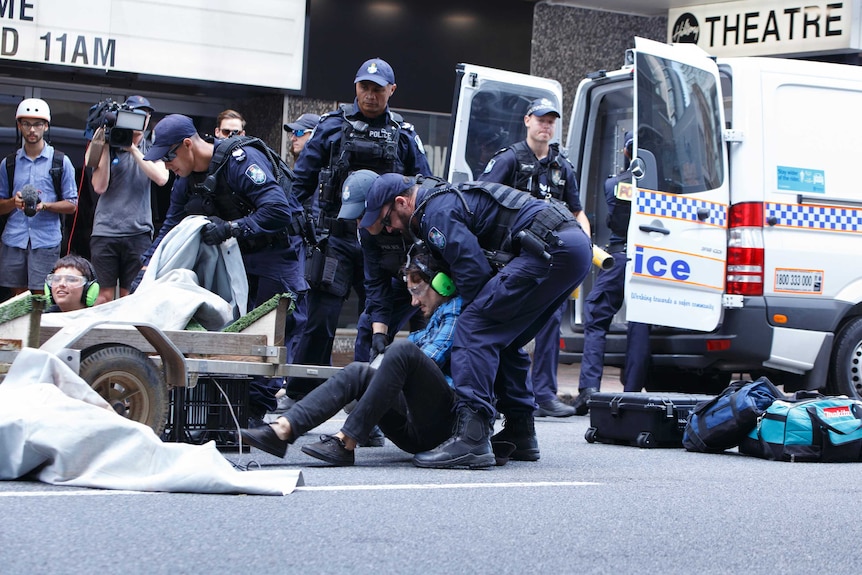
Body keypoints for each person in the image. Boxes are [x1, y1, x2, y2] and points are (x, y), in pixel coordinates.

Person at [361, 173, 593, 469]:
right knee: (506, 338)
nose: (391, 229)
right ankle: (521, 431)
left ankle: (471, 437)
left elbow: (473, 271)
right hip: (569, 247)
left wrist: (465, 319)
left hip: (549, 246)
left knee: (474, 326)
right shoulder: (441, 202)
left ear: (401, 202)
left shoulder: (435, 213)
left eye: (387, 220)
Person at [140, 114, 308, 425]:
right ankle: (234, 404)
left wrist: (232, 228)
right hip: (241, 255)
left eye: (168, 156)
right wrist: (146, 269)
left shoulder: (239, 161)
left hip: (277, 250)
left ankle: (255, 409)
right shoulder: (185, 179)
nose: (166, 165)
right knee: (238, 326)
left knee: (274, 328)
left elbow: (277, 210)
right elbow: (170, 225)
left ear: (187, 145)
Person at [284, 57, 432, 401]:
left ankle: (369, 399)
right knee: (321, 318)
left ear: (391, 91)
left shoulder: (404, 135)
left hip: (384, 244)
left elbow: (423, 185)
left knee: (374, 322)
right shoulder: (332, 126)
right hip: (335, 238)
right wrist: (299, 225)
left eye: (378, 89)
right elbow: (301, 182)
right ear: (355, 87)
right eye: (364, 87)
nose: (370, 95)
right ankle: (302, 394)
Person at [241, 253, 460, 466]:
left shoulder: (456, 311)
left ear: (442, 284)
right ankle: (283, 430)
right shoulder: (433, 321)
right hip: (414, 428)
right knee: (359, 371)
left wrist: (387, 371)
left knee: (400, 350)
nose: (413, 302)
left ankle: (346, 440)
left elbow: (427, 360)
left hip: (443, 427)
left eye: (417, 291)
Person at [478, 97, 590, 418]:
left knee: (551, 320)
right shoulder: (510, 159)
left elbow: (578, 211)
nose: (546, 126)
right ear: (527, 120)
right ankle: (494, 394)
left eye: (551, 121)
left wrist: (583, 244)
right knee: (501, 318)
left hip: (552, 258)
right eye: (541, 119)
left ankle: (544, 394)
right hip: (512, 256)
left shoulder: (562, 166)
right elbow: (482, 197)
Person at [575, 131, 650, 412]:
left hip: (618, 257)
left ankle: (590, 389)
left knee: (596, 317)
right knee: (640, 322)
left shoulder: (614, 183)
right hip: (648, 258)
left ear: (626, 152)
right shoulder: (661, 188)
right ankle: (632, 392)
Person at [89, 95, 170, 305]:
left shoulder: (153, 146)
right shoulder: (109, 143)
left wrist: (132, 148)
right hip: (106, 231)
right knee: (105, 295)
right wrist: (107, 143)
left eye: (143, 116)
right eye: (133, 115)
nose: (137, 121)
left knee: (131, 295)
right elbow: (99, 186)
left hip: (138, 231)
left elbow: (161, 178)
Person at [0, 98, 77, 296]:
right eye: (26, 124)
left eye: (37, 124)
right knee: (17, 296)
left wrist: (46, 206)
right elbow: (1, 205)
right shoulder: (9, 163)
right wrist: (12, 203)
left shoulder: (60, 161)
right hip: (14, 238)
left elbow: (72, 204)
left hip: (46, 239)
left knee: (41, 296)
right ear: (19, 126)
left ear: (46, 126)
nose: (32, 130)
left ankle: (38, 329)